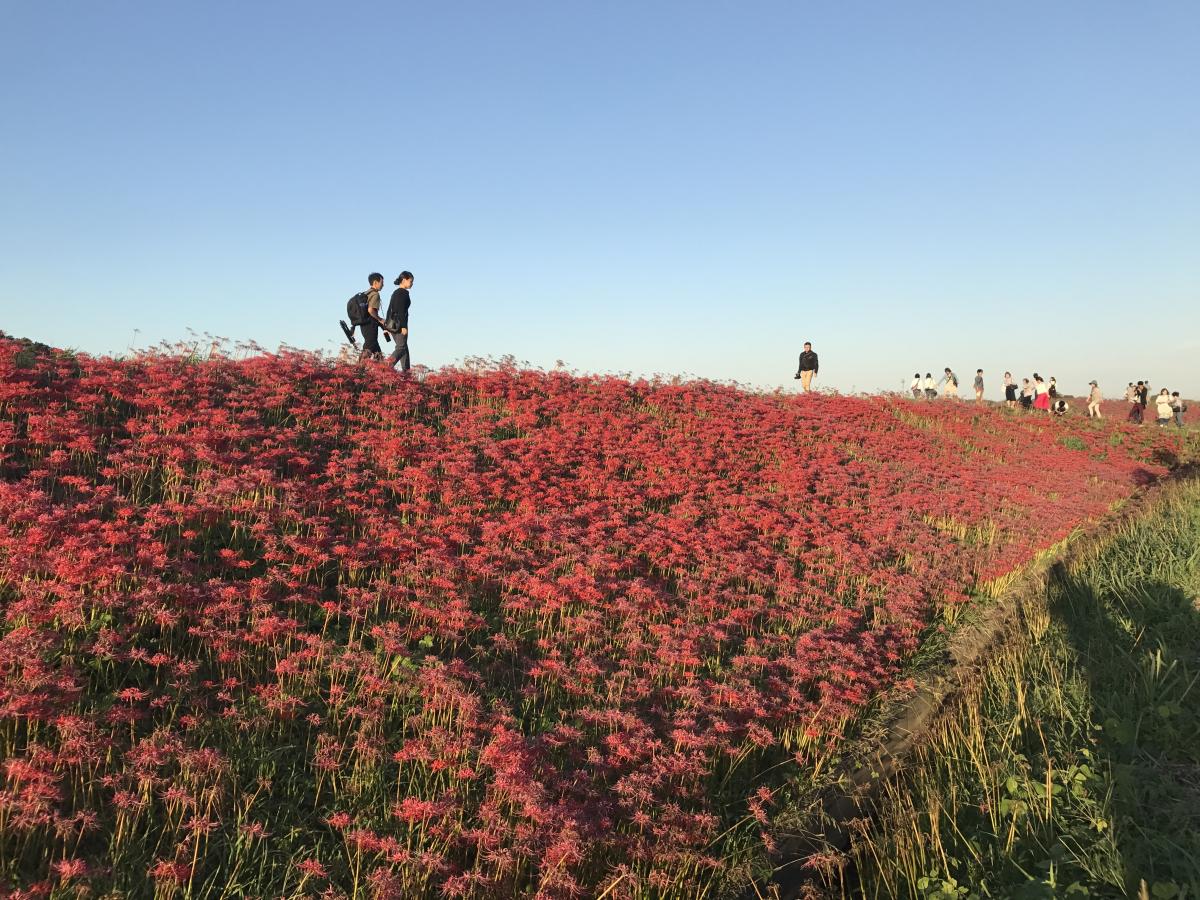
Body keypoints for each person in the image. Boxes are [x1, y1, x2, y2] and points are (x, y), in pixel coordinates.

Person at [386, 271, 414, 371]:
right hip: (399, 325)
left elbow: (390, 309)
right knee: (401, 348)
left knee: (404, 348)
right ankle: (384, 368)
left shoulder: (395, 293)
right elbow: (401, 310)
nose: (412, 283)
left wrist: (386, 326)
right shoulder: (403, 293)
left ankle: (406, 373)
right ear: (404, 280)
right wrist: (403, 326)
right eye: (410, 281)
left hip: (392, 325)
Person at [357, 273, 386, 363]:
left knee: (378, 353)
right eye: (381, 282)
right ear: (375, 282)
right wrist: (380, 319)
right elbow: (371, 310)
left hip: (364, 324)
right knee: (368, 349)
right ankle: (358, 371)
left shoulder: (366, 293)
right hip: (371, 325)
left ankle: (382, 372)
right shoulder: (375, 294)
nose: (383, 285)